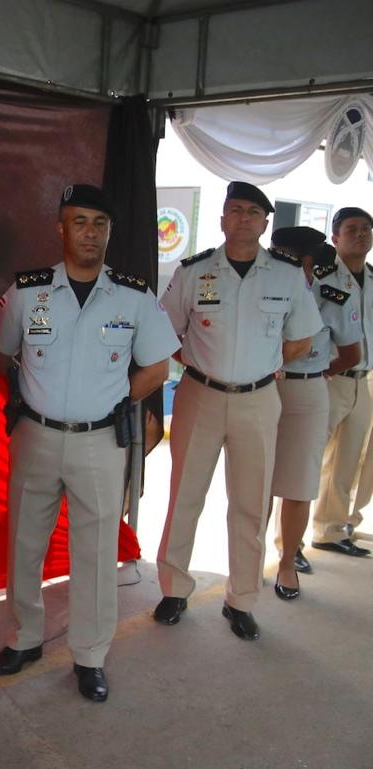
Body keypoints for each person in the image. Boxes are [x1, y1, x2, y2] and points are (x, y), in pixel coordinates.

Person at [0, 184, 178, 701]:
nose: (90, 232)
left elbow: (158, 365)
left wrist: (121, 400)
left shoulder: (135, 296)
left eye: (100, 223)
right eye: (79, 222)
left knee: (95, 551)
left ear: (110, 231)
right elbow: (1, 353)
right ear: (61, 227)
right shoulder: (28, 291)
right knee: (26, 542)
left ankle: (91, 656)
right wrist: (29, 397)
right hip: (36, 436)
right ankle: (24, 639)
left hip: (101, 440)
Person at [154, 181, 321, 640]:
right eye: (236, 210)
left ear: (265, 223)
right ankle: (173, 588)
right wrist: (205, 366)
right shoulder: (194, 271)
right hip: (199, 394)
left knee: (250, 503)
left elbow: (303, 336)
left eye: (253, 212)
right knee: (185, 493)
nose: (244, 218)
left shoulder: (286, 276)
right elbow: (166, 332)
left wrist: (263, 367)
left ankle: (242, 598)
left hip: (259, 398)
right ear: (222, 219)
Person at [268, 228, 361, 598]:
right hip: (263, 388)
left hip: (307, 391)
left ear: (306, 261)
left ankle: (288, 563)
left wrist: (316, 373)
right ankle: (249, 559)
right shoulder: (264, 289)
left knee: (300, 483)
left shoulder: (333, 296)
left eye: (287, 257)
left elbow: (351, 354)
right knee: (255, 481)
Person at [312, 207, 373, 558]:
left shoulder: (371, 280)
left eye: (366, 228)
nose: (361, 234)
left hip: (361, 380)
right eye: (352, 229)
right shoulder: (323, 278)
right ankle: (290, 543)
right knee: (308, 459)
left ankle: (331, 530)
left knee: (349, 460)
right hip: (327, 377)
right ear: (336, 238)